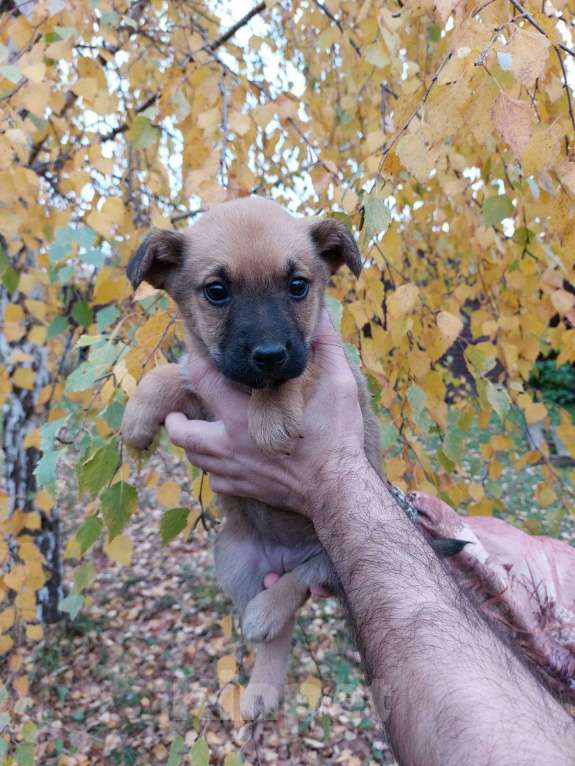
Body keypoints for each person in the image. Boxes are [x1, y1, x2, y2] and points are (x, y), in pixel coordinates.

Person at [165, 310, 575, 765]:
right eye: (219, 294)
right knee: (235, 560)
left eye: (297, 287)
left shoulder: (320, 363)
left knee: (313, 567)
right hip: (257, 533)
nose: (266, 339)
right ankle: (273, 649)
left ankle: (293, 587)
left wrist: (284, 410)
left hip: (320, 541)